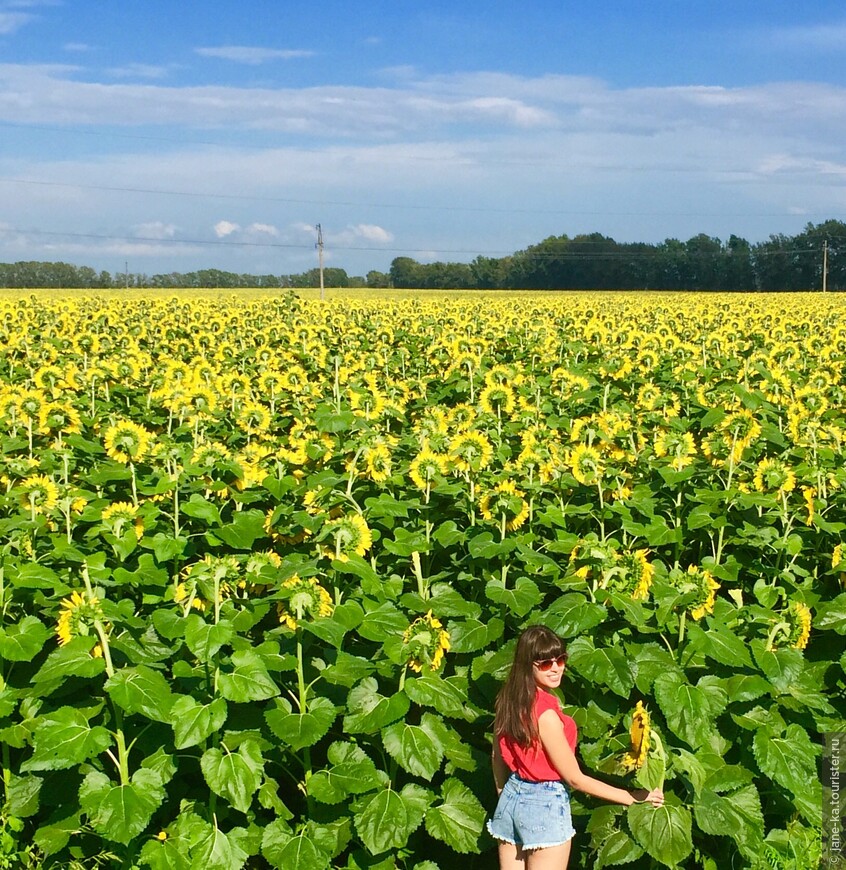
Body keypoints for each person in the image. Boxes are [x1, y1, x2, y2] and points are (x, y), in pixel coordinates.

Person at [488, 625, 664, 869]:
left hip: (512, 796)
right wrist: (632, 797)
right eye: (545, 663)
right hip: (545, 803)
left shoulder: (507, 699)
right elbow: (575, 779)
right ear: (527, 664)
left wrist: (504, 796)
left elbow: (497, 755)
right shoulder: (545, 715)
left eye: (560, 659)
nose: (556, 668)